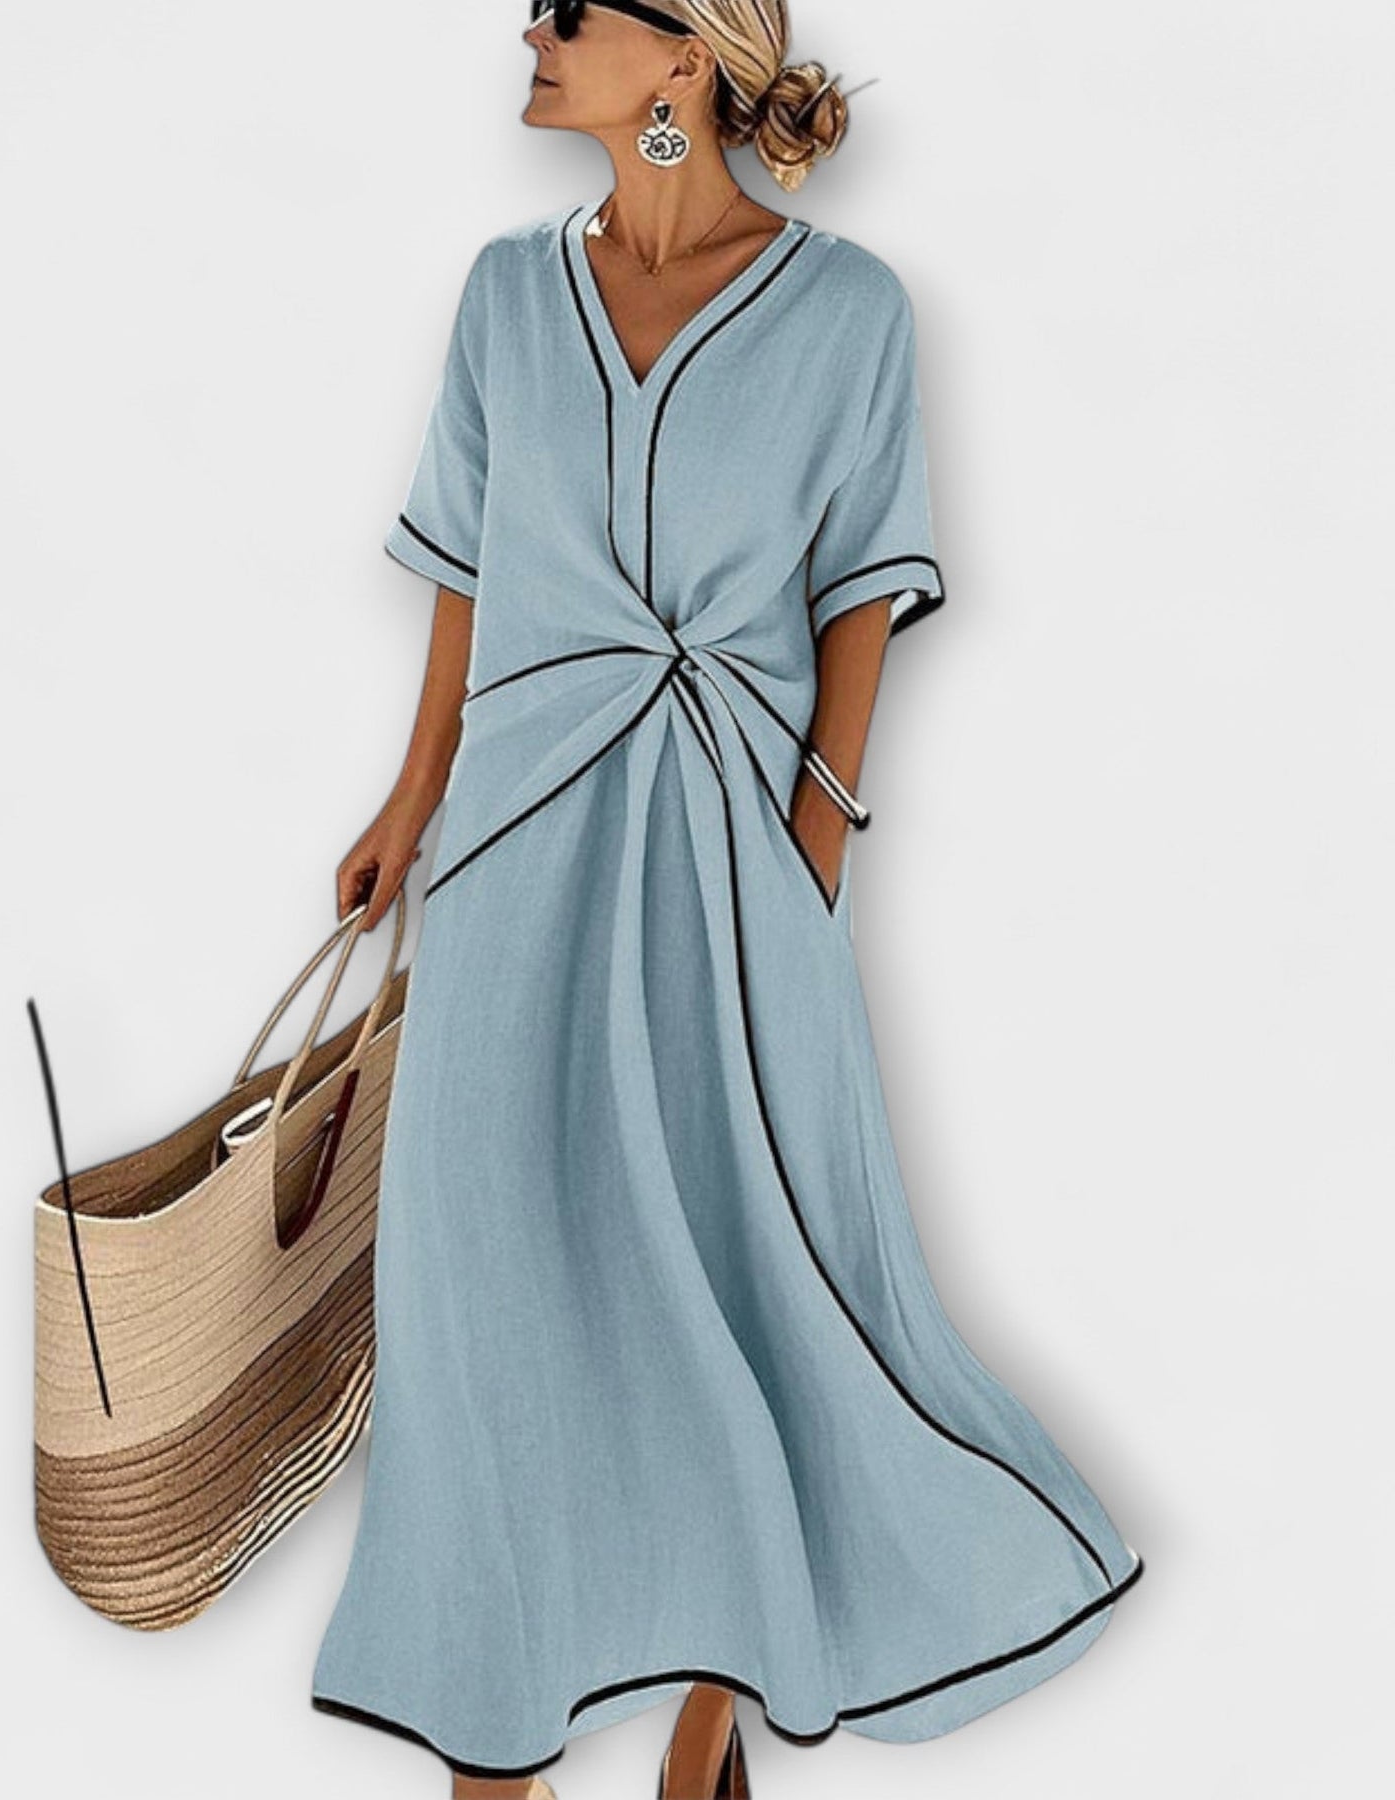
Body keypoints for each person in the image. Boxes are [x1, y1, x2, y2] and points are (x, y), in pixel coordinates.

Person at [313, 5, 1145, 1797]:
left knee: (748, 1277)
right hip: (515, 856)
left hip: (730, 865)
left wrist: (818, 836)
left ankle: (713, 1707)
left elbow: (862, 588)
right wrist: (409, 796)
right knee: (480, 1309)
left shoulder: (851, 312)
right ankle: (493, 1747)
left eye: (572, 11)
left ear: (681, 60)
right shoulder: (503, 296)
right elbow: (466, 564)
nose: (530, 32)